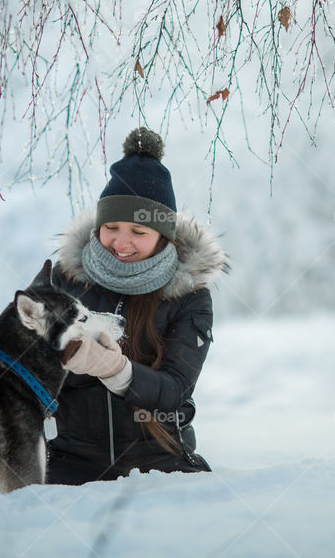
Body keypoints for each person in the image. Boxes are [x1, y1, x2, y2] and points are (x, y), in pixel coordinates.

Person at [47, 127, 228, 485]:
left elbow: (175, 389)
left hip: (160, 464)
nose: (121, 242)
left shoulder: (189, 296)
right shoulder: (67, 281)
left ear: (163, 237)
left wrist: (115, 369)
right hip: (71, 461)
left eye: (139, 232)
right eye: (111, 226)